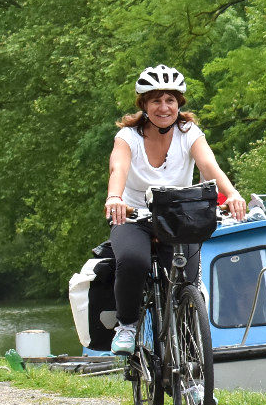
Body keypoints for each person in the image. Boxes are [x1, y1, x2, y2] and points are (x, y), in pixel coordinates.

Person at [103, 65, 247, 355]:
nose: (163, 107)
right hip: (134, 217)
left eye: (170, 100)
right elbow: (118, 167)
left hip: (178, 219)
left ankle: (192, 374)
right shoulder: (128, 137)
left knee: (186, 288)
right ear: (144, 104)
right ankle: (128, 326)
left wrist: (231, 193)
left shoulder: (189, 133)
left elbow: (209, 166)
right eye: (155, 100)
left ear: (179, 103)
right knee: (132, 261)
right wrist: (114, 197)